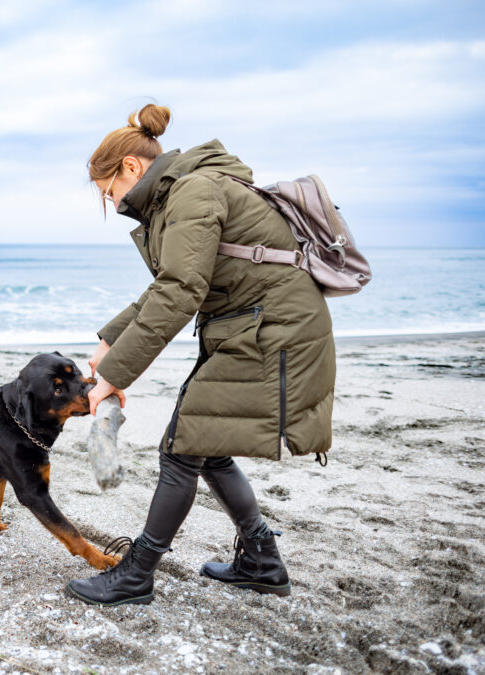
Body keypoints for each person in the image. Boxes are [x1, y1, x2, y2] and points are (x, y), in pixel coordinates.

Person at [64, 104, 335, 606]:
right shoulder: (185, 191)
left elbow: (181, 291)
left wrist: (114, 376)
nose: (116, 204)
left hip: (274, 330)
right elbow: (174, 285)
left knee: (181, 446)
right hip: (252, 325)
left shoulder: (193, 191)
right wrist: (109, 343)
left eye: (111, 193)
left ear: (131, 167)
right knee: (205, 440)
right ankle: (262, 561)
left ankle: (137, 575)